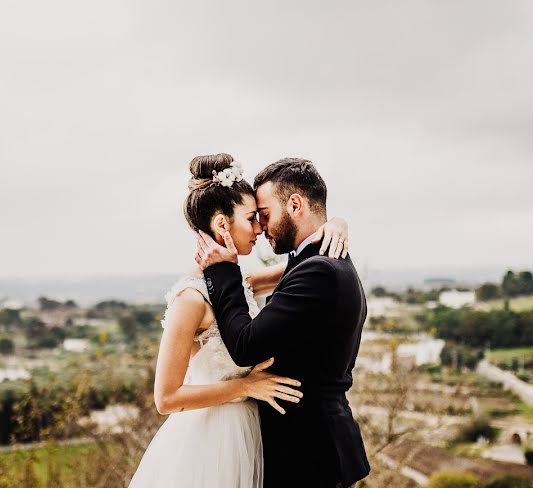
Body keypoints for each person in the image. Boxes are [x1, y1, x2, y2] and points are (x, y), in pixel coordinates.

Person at [128, 154, 350, 488]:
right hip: (212, 441)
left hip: (251, 432)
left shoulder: (236, 284)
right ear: (221, 225)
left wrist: (334, 225)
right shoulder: (190, 299)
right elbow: (166, 398)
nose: (261, 228)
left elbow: (304, 266)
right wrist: (244, 387)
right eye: (252, 218)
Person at [196, 157, 370, 488]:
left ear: (294, 204)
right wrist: (336, 223)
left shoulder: (319, 271)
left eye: (265, 215)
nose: (261, 229)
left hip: (307, 451)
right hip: (312, 445)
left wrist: (223, 271)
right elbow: (268, 278)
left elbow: (245, 347)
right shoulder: (320, 259)